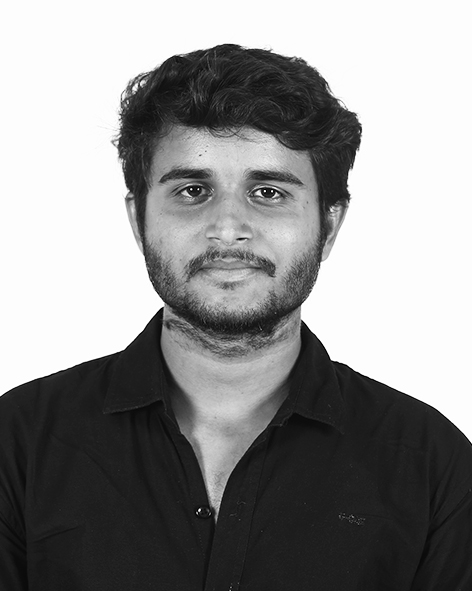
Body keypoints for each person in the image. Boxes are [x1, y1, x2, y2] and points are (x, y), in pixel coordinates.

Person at [1, 44, 471, 590]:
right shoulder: (19, 445)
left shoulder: (432, 466)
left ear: (329, 226)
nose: (227, 228)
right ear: (138, 220)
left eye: (268, 192)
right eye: (192, 190)